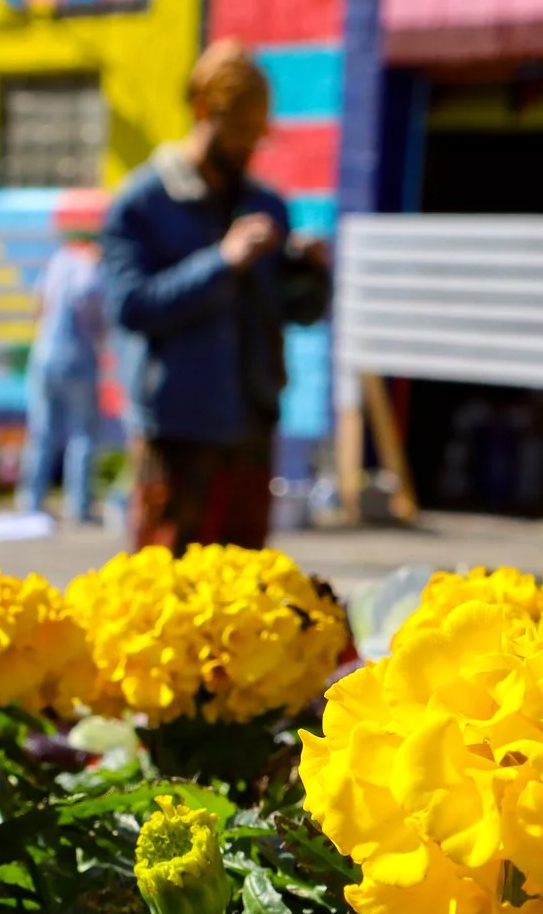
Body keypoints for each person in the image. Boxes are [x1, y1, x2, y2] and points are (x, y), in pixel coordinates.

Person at [102, 39, 330, 552]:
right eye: (239, 133)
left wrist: (309, 273)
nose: (249, 148)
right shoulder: (142, 205)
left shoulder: (265, 203)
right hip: (178, 432)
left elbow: (299, 312)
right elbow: (131, 307)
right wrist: (222, 262)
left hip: (250, 426)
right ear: (203, 111)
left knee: (246, 598)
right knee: (165, 592)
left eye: (257, 136)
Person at [18, 209, 106, 525]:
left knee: (41, 431)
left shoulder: (58, 260)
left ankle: (31, 500)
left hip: (43, 355)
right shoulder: (92, 266)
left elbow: (37, 303)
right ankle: (79, 504)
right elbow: (93, 307)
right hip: (78, 358)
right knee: (83, 433)